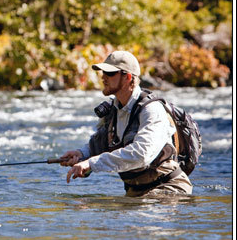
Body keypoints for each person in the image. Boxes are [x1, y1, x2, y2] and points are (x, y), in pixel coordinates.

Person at [59, 50, 193, 197]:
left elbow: (141, 155)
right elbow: (98, 146)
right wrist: (81, 155)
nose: (103, 77)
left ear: (128, 77)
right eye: (103, 72)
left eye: (110, 73)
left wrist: (91, 164)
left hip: (169, 187)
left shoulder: (152, 110)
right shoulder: (113, 111)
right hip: (136, 192)